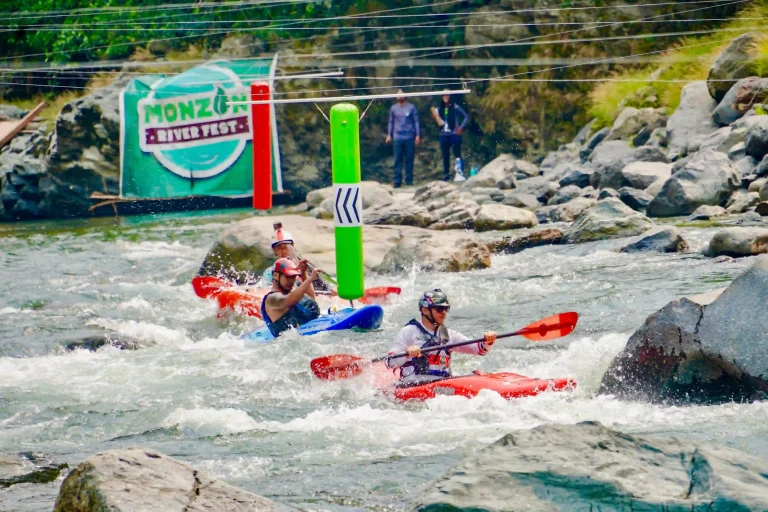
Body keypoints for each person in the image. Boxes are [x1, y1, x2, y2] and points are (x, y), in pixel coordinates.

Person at [387, 289, 496, 385]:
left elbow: (479, 349)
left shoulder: (450, 335)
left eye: (446, 309)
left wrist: (488, 341)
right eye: (439, 308)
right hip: (413, 386)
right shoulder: (409, 331)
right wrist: (407, 354)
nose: (443, 313)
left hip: (442, 387)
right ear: (425, 310)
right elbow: (390, 363)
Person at [260, 258, 322, 338]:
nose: (291, 280)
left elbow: (311, 298)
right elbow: (289, 300)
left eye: (293, 277)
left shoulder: (293, 293)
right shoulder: (271, 299)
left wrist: (303, 274)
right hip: (289, 342)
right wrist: (310, 279)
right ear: (275, 275)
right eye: (288, 277)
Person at [386, 88, 421, 188]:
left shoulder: (411, 107)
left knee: (409, 159)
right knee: (397, 159)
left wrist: (417, 135)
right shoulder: (393, 108)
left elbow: (416, 121)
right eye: (398, 95)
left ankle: (409, 180)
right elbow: (391, 122)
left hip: (409, 136)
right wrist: (389, 135)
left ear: (405, 95)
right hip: (397, 137)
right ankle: (397, 181)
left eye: (401, 94)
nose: (399, 96)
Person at [431, 92, 469, 181]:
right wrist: (435, 117)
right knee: (445, 155)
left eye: (447, 95)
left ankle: (460, 172)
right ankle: (446, 174)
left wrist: (461, 127)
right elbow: (436, 120)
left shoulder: (455, 107)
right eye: (444, 95)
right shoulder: (439, 109)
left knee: (457, 154)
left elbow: (465, 116)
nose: (445, 97)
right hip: (444, 134)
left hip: (454, 134)